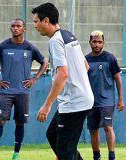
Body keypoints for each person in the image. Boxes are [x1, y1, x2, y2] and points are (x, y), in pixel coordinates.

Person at [32, 2, 94, 160]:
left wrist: (47, 106)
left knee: (65, 151)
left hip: (75, 103)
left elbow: (63, 74)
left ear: (46, 21)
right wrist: (68, 94)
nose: (35, 26)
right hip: (76, 100)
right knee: (52, 134)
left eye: (36, 22)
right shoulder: (68, 36)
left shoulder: (55, 41)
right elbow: (85, 66)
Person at [0, 19, 48, 160]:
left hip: (23, 92)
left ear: (24, 29)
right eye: (13, 26)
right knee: (0, 121)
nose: (15, 28)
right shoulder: (3, 46)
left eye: (18, 26)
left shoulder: (29, 48)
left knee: (20, 123)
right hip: (6, 91)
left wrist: (34, 79)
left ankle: (16, 154)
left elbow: (44, 61)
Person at [85, 30, 124, 160]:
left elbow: (118, 78)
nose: (97, 44)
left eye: (99, 42)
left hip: (107, 100)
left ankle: (111, 156)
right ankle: (97, 157)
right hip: (90, 102)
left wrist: (120, 99)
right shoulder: (86, 60)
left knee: (108, 127)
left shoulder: (110, 58)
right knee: (93, 130)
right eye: (94, 41)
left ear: (103, 43)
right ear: (89, 42)